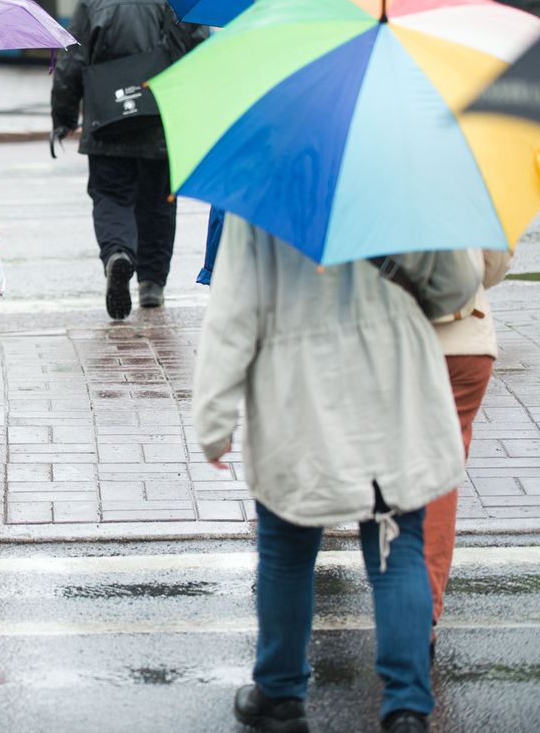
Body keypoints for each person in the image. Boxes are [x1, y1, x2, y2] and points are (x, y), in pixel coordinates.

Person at [193, 216, 480, 733]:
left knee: (286, 549)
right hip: (392, 378)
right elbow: (457, 285)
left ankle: (279, 695)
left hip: (297, 388)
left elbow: (234, 312)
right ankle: (407, 706)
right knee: (397, 549)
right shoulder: (402, 170)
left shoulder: (266, 182)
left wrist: (214, 420)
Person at [51, 0, 204, 317]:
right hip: (162, 123)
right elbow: (201, 56)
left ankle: (118, 254)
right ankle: (152, 284)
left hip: (107, 120)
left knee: (112, 197)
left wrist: (63, 117)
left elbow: (71, 61)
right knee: (158, 204)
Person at [424, 249, 512, 648]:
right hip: (468, 345)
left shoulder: (364, 186)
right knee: (441, 479)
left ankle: (399, 604)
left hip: (403, 343)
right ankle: (425, 608)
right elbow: (493, 264)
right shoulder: (472, 184)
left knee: (393, 477)